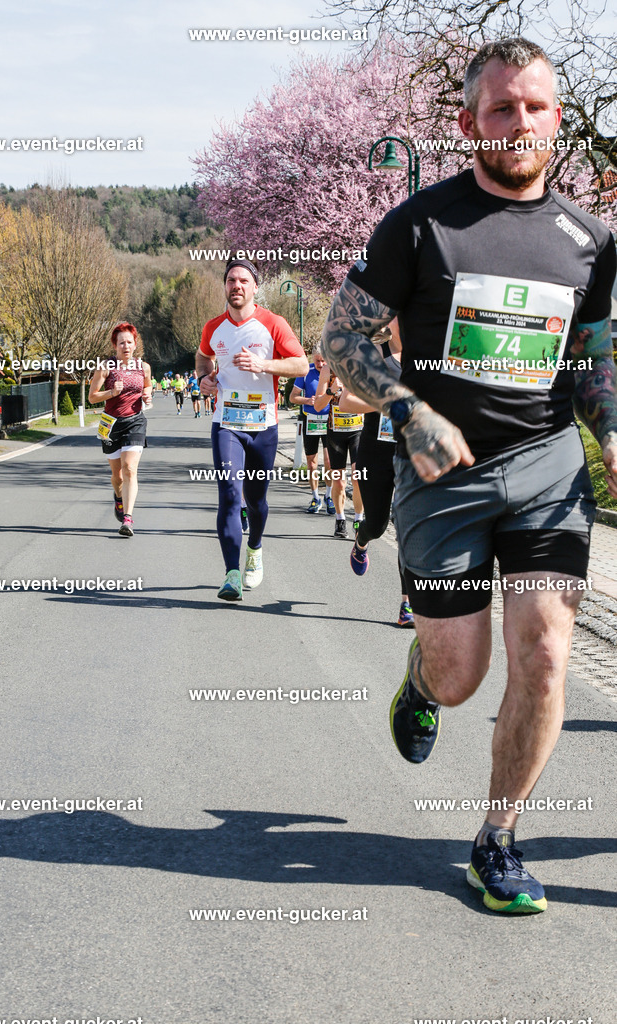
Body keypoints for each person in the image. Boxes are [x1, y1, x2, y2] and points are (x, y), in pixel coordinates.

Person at [321, 37, 617, 913]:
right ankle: (420, 678)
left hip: (544, 471)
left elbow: (594, 358)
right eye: (500, 108)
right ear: (468, 122)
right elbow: (342, 340)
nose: (517, 121)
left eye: (532, 107)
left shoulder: (588, 242)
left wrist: (610, 428)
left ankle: (497, 840)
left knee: (545, 651)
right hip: (439, 476)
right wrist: (408, 412)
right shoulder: (420, 225)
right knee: (461, 677)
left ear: (555, 119)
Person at [196, 258, 308, 601]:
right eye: (231, 280)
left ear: (255, 287)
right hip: (226, 423)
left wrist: (264, 365)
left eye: (243, 280)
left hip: (263, 425)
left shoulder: (273, 323)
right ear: (225, 286)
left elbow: (300, 363)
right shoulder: (213, 327)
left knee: (256, 500)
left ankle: (255, 549)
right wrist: (204, 379)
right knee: (229, 493)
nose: (237, 286)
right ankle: (231, 574)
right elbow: (202, 357)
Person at [338, 324, 414, 627]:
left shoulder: (429, 354)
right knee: (379, 524)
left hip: (413, 451)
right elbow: (346, 402)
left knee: (407, 526)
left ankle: (407, 604)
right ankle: (361, 540)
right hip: (377, 450)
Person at [89, 322, 152, 537]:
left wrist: (148, 394)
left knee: (129, 469)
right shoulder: (105, 367)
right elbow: (92, 396)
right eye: (121, 342)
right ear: (115, 345)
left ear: (135, 345)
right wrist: (111, 394)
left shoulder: (143, 367)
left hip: (135, 422)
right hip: (111, 424)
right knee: (117, 476)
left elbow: (148, 385)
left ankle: (128, 518)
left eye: (129, 342)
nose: (125, 346)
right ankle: (118, 497)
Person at [312, 362, 364, 538]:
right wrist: (331, 390)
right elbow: (318, 405)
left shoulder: (362, 365)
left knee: (357, 477)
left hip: (358, 430)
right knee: (339, 481)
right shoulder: (328, 370)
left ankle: (358, 520)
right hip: (335, 431)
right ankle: (340, 519)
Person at [290, 347, 334, 514]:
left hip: (329, 420)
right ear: (312, 358)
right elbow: (293, 397)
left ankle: (328, 496)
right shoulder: (305, 371)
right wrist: (307, 400)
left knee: (329, 462)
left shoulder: (333, 371)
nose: (321, 364)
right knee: (311, 462)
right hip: (311, 420)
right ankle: (315, 497)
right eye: (317, 360)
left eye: (323, 361)